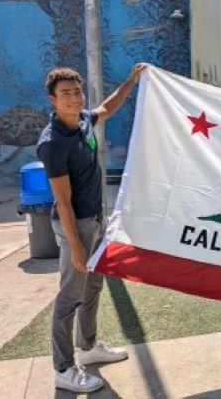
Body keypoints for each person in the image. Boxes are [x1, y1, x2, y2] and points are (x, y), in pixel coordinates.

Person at [37, 63, 147, 393]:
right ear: (52, 99)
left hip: (96, 221)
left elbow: (106, 108)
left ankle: (87, 348)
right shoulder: (53, 143)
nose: (73, 98)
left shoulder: (83, 119)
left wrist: (130, 80)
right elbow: (63, 201)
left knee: (93, 288)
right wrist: (77, 246)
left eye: (76, 92)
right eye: (65, 94)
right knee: (69, 298)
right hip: (75, 225)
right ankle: (63, 368)